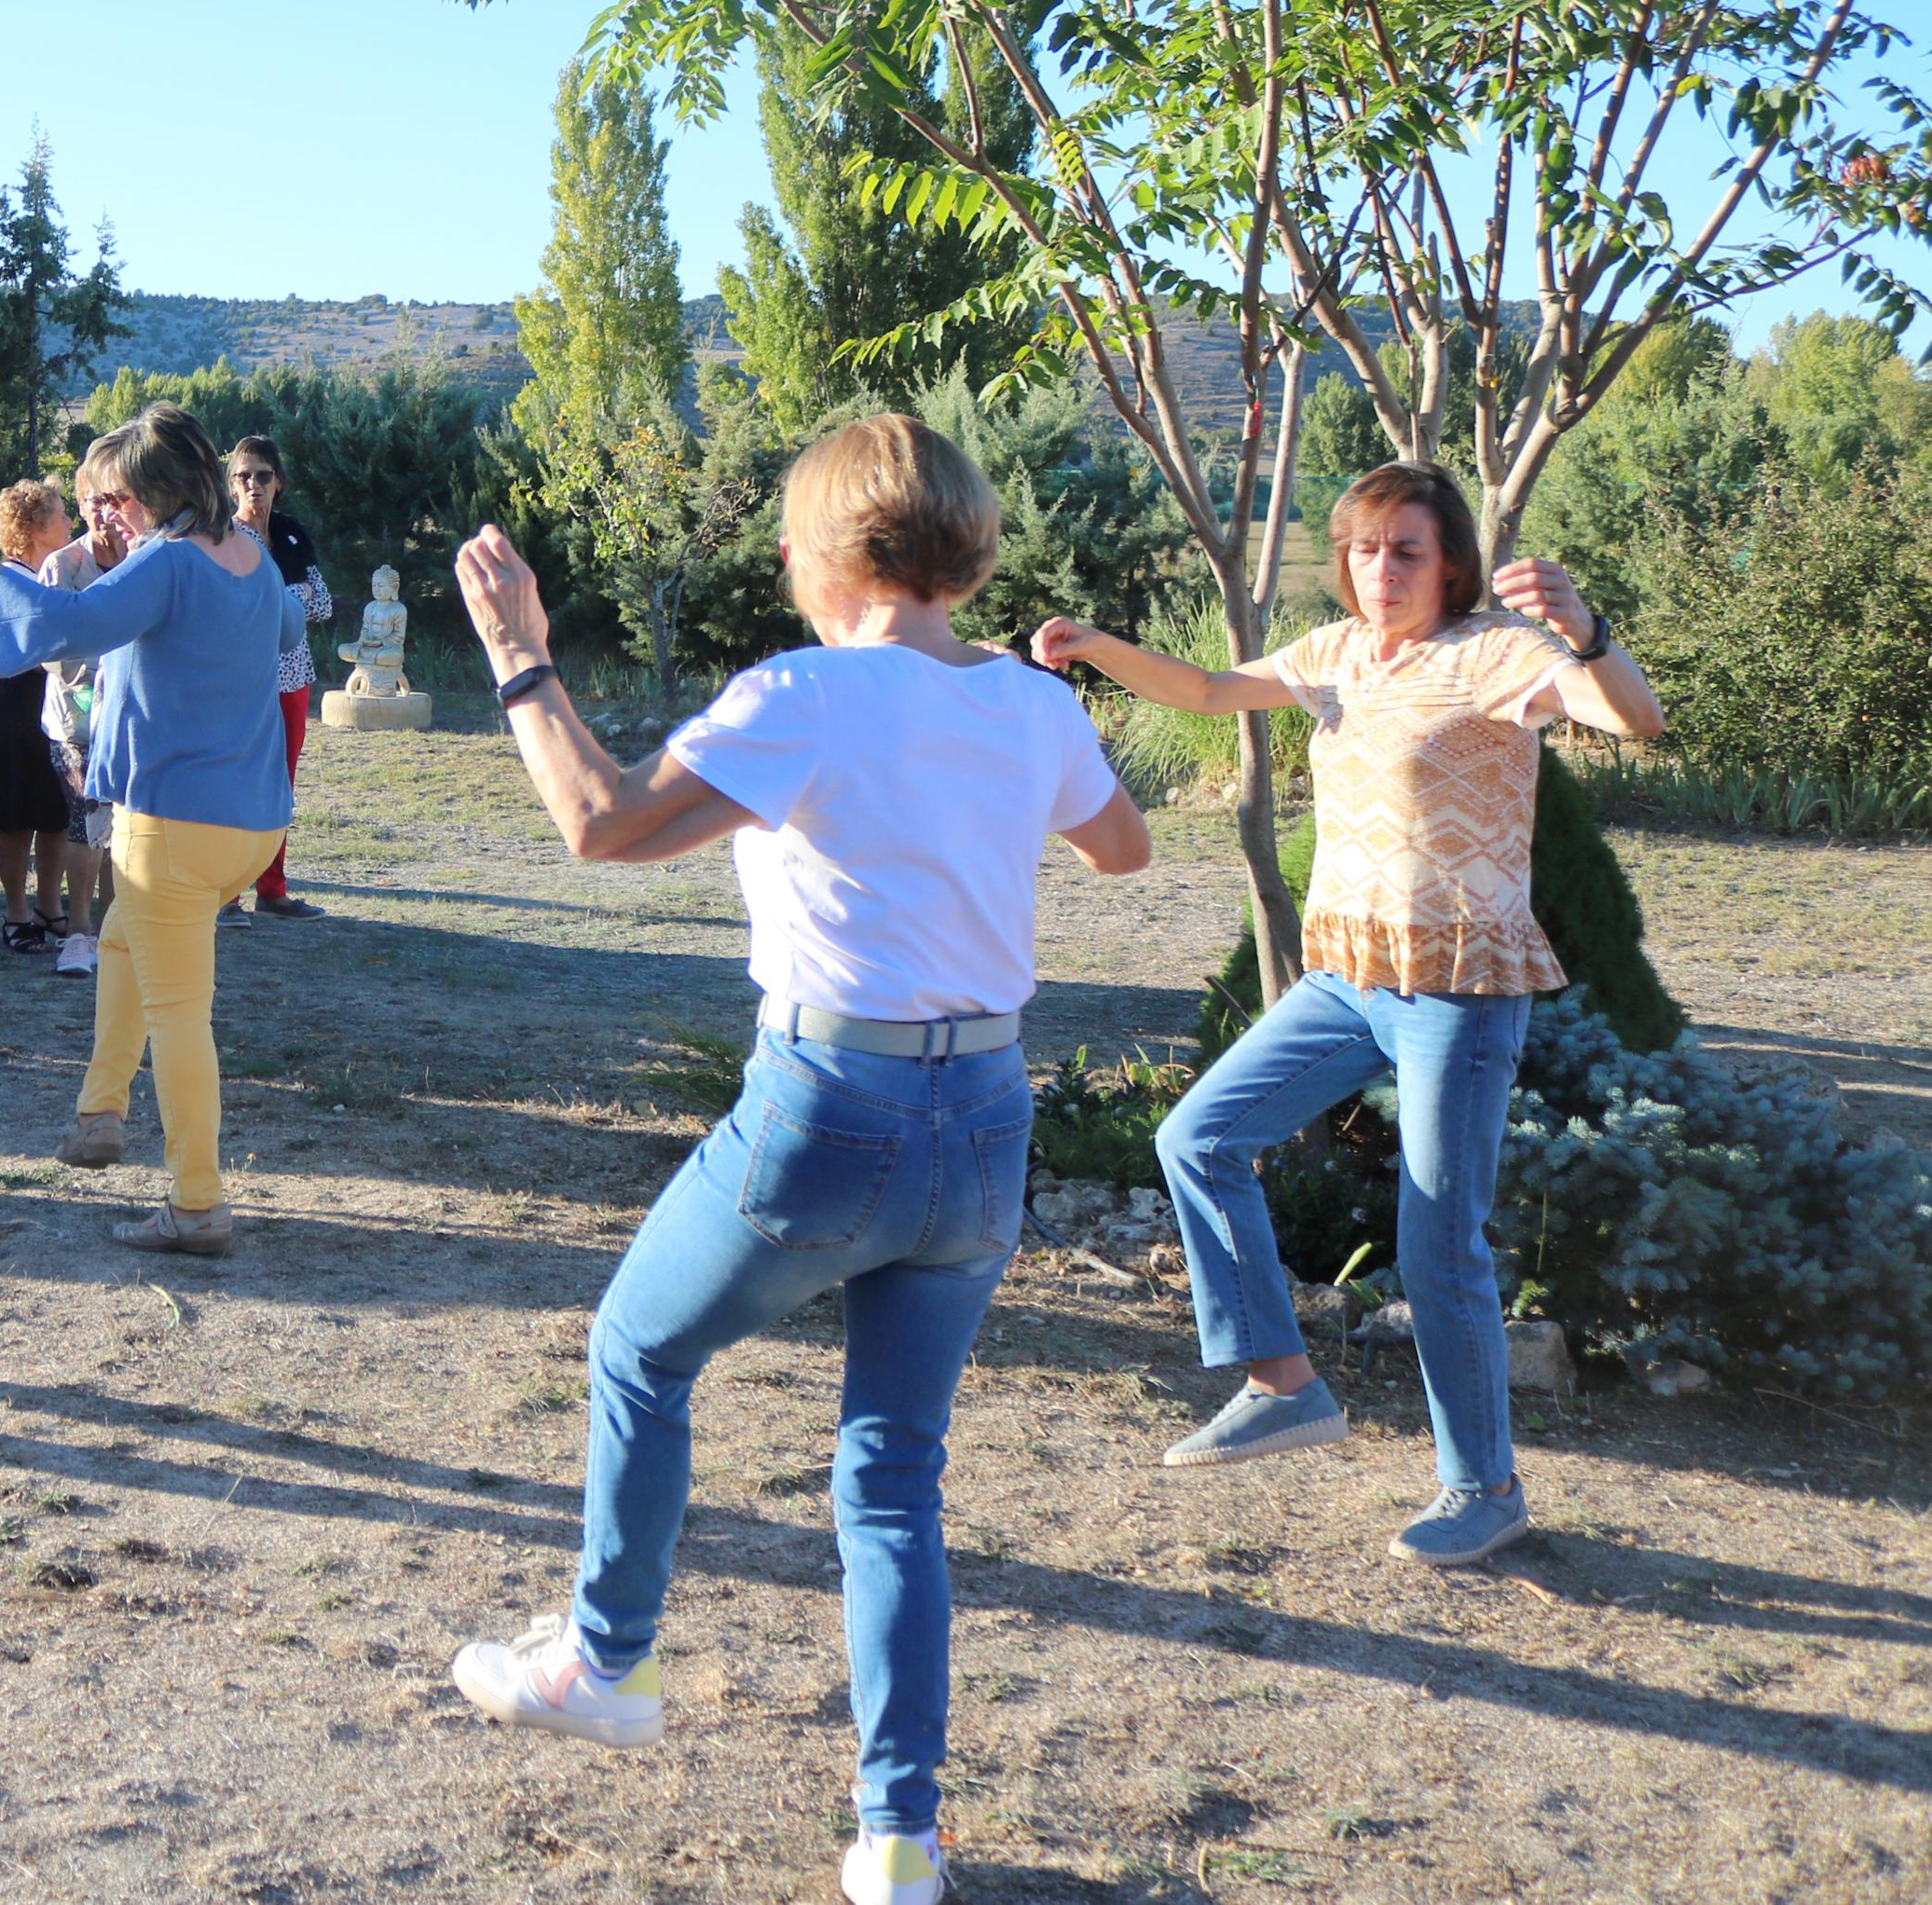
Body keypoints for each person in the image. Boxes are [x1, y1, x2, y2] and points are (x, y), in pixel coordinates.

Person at [440, 414, 1149, 1905]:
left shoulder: (802, 691)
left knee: (638, 1344)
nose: (776, 560)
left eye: (785, 537)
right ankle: (899, 1833)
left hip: (829, 1102)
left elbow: (596, 823)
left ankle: (603, 1661)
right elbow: (1123, 849)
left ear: (830, 547)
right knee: (891, 1477)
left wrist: (519, 656)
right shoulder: (1029, 704)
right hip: (986, 1119)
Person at [1032, 459, 1665, 1569]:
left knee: (1436, 1249)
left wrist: (1587, 632)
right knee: (1197, 1136)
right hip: (1342, 978)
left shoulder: (1496, 653)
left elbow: (1634, 721)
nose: (1381, 571)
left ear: (1451, 561)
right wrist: (1091, 647)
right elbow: (1205, 689)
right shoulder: (1330, 653)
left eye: (1406, 550)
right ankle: (1282, 1384)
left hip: (1454, 994)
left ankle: (1484, 1487)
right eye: (1365, 550)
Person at [0, 402, 300, 1256]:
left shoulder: (170, 561)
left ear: (159, 491)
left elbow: (68, 626)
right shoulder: (251, 555)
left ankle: (196, 1204)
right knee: (117, 942)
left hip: (172, 821)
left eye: (123, 498)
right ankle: (100, 1114)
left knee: (179, 1014)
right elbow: (286, 631)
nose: (114, 515)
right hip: (248, 819)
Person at [224, 435, 332, 922]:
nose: (254, 485)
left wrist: (280, 598)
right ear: (230, 486)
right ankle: (224, 894)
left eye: (263, 475)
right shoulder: (222, 538)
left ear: (279, 483)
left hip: (293, 679)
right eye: (244, 476)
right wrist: (293, 595)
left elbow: (324, 603)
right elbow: (240, 609)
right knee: (234, 782)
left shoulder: (291, 533)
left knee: (279, 787)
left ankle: (273, 889)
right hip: (241, 681)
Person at [33, 460, 130, 977]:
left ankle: (120, 932)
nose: (106, 511)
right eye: (95, 500)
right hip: (80, 721)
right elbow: (59, 655)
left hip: (139, 721)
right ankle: (78, 934)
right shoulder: (63, 567)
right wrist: (113, 668)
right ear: (81, 505)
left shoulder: (146, 563)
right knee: (88, 820)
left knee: (129, 826)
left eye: (115, 499)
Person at [0, 479, 76, 953]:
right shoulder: (3, 578)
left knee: (56, 812)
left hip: (57, 698)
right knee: (16, 815)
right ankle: (16, 911)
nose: (69, 522)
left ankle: (50, 907)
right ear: (35, 526)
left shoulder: (58, 572)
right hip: (19, 701)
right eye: (60, 515)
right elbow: (27, 645)